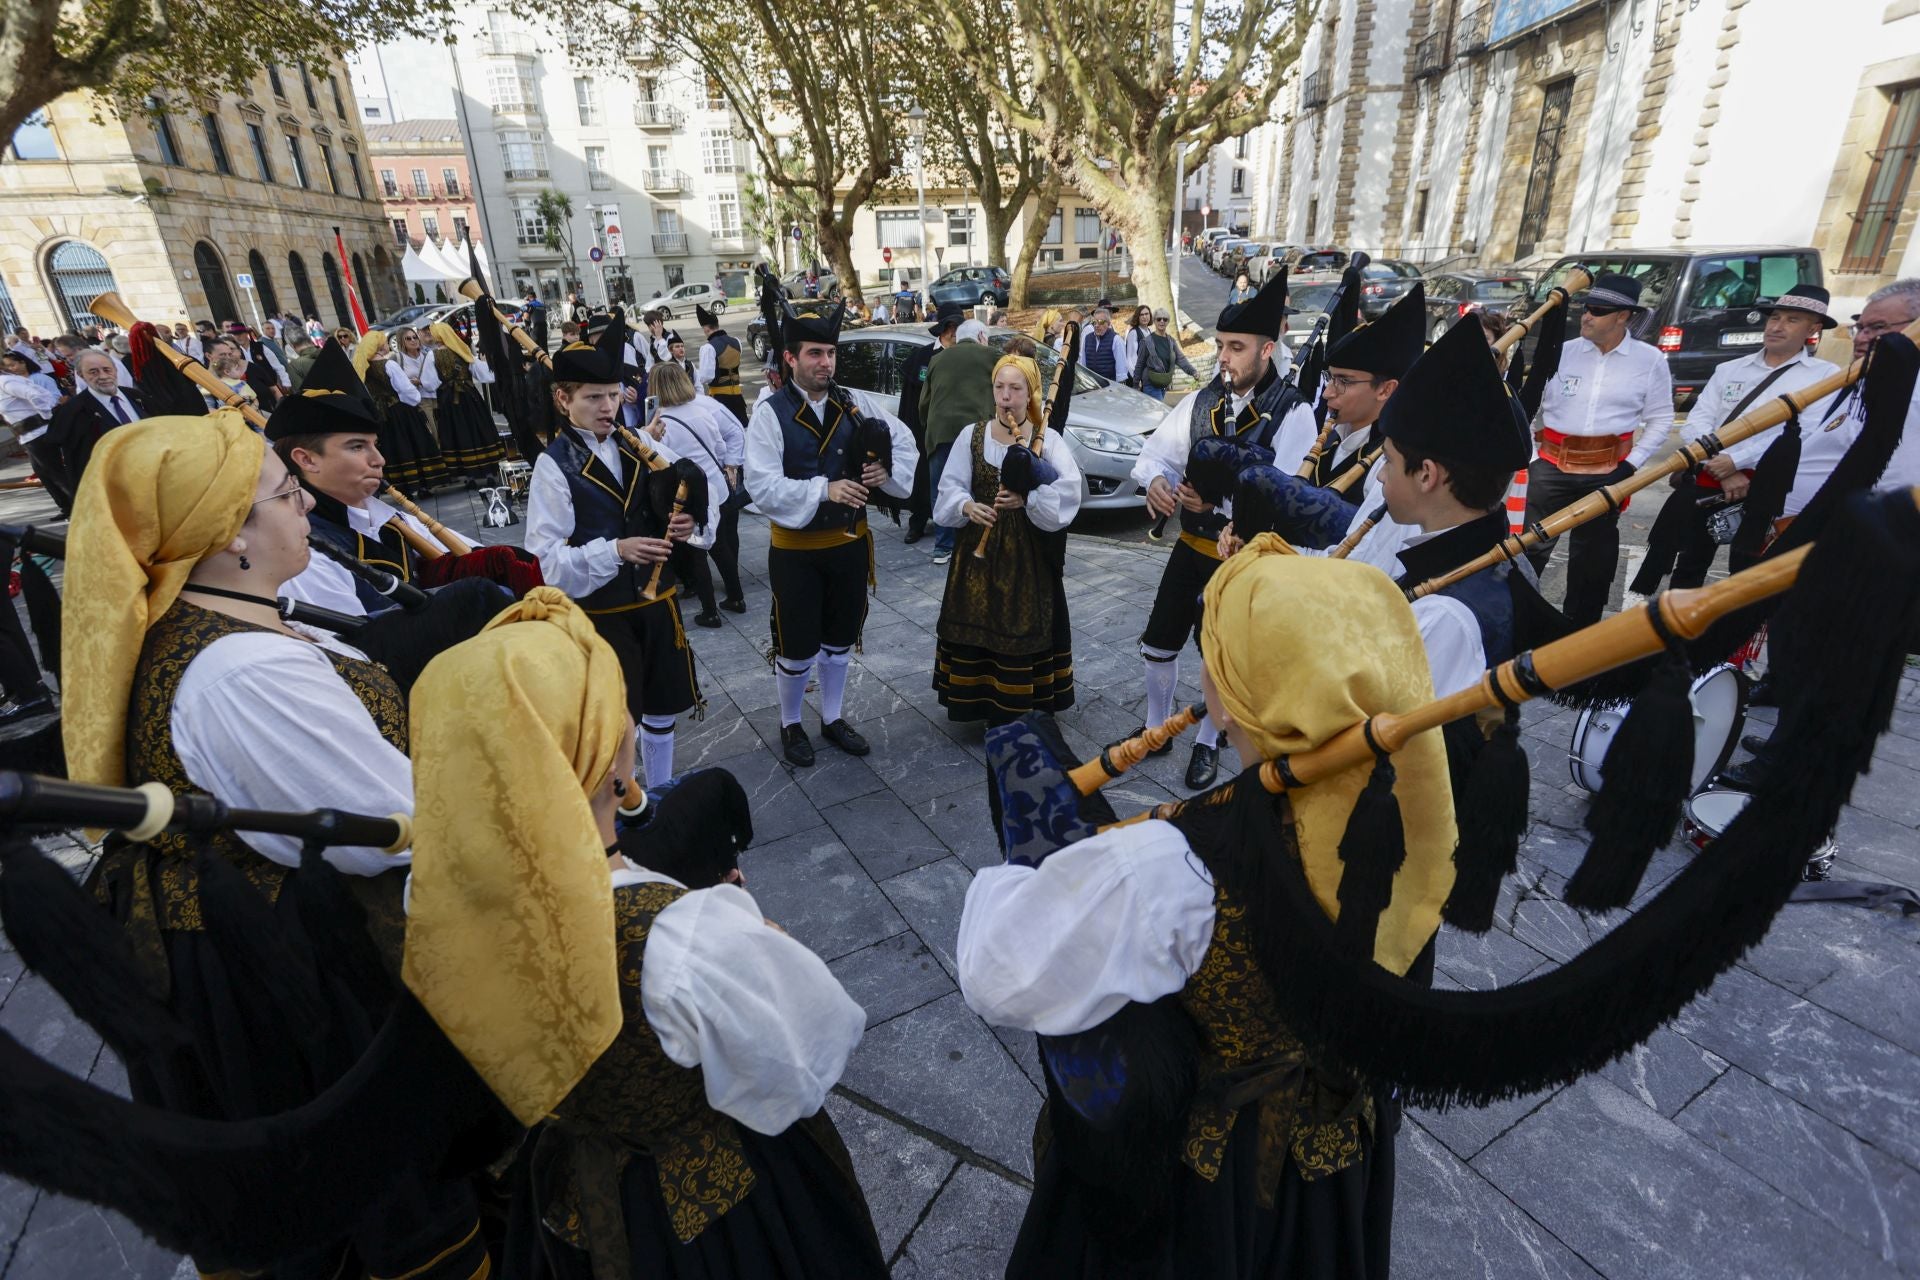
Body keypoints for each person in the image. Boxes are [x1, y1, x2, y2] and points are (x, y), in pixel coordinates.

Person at [63, 411, 489, 1280]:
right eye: (285, 494)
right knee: (368, 1199)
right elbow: (390, 829)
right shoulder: (242, 675)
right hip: (278, 970)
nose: (302, 507)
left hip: (264, 934)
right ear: (228, 538)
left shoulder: (241, 617)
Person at [956, 546, 1456, 1280]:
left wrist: (1038, 846)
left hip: (1212, 1181)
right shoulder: (1416, 816)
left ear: (1238, 699)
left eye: (1215, 658)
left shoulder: (1170, 867)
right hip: (1332, 1166)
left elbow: (998, 971)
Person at [403, 589, 886, 1279]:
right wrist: (758, 942)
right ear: (604, 762)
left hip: (573, 1194)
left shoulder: (448, 908)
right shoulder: (681, 932)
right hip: (709, 1217)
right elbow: (805, 1057)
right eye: (614, 709)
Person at [1130, 271, 1315, 790]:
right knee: (1159, 642)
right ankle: (1156, 729)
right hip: (1189, 547)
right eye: (1220, 346)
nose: (1224, 357)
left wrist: (1223, 501)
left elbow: (1288, 498)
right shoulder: (1200, 402)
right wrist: (1158, 486)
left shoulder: (1293, 411)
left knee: (1222, 659)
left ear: (1267, 350)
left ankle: (1209, 742)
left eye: (1237, 347)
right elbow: (1154, 457)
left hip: (1243, 563)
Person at [526, 341, 712, 788]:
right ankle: (625, 802)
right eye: (592, 397)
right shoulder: (553, 467)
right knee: (616, 718)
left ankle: (660, 787)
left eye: (613, 394)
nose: (608, 406)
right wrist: (615, 551)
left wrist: (689, 523)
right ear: (562, 399)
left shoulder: (640, 442)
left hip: (658, 603)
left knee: (662, 705)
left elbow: (687, 503)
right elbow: (547, 563)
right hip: (603, 616)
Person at [744, 301, 916, 767]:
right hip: (796, 551)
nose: (826, 363)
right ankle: (791, 721)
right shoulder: (770, 414)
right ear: (791, 359)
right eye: (815, 354)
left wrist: (886, 472)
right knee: (796, 643)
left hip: (849, 546)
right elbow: (759, 485)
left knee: (841, 638)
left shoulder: (854, 403)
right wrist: (825, 488)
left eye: (831, 353)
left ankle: (834, 717)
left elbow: (904, 443)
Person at [276, 338, 543, 614]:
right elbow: (354, 642)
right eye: (357, 447)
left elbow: (453, 558)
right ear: (306, 459)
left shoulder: (389, 520)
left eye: (374, 445)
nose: (378, 460)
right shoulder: (308, 550)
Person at [1635, 285, 1840, 595]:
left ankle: (1731, 643)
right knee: (1689, 565)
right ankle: (1676, 636)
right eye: (1775, 317)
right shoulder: (1730, 369)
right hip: (1710, 476)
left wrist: (1737, 462)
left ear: (1814, 328)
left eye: (1792, 320)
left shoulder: (1824, 377)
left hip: (1770, 488)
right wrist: (1722, 466)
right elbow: (1696, 423)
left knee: (1747, 573)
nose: (1777, 326)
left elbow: (1806, 433)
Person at [931, 353, 1082, 723]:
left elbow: (1068, 497)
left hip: (1027, 557)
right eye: (999, 387)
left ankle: (1020, 705)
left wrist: (1027, 498)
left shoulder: (1047, 441)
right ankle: (978, 700)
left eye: (1015, 388)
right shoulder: (973, 435)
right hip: (976, 553)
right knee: (977, 620)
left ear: (1029, 394)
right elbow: (948, 489)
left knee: (1022, 623)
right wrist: (967, 507)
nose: (1005, 396)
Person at [1525, 272, 1675, 626]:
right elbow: (1530, 408)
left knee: (1592, 562)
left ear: (1623, 316)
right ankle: (1522, 624)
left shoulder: (1649, 361)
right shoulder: (1560, 353)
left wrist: (1630, 467)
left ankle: (1579, 637)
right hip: (1549, 466)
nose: (1586, 316)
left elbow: (1661, 419)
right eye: (1585, 307)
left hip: (1608, 472)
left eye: (1597, 310)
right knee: (1528, 550)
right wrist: (1532, 461)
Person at [650, 362, 746, 624]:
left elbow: (662, 466)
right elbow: (718, 446)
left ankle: (710, 612)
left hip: (690, 494)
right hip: (717, 486)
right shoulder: (702, 410)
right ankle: (736, 597)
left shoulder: (662, 423)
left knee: (697, 553)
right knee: (721, 547)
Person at [918, 313, 998, 566]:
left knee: (942, 488)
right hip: (975, 433)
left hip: (939, 431)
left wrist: (929, 426)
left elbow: (924, 403)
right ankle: (973, 541)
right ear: (981, 337)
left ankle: (943, 547)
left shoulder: (937, 359)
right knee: (975, 487)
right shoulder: (992, 356)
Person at [46, 349, 146, 508]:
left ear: (115, 369)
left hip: (150, 480)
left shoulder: (138, 398)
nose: (103, 376)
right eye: (93, 371)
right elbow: (53, 455)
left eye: (107, 369)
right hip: (110, 494)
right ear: (80, 374)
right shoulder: (72, 412)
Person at [367, 330, 449, 494]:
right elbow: (404, 388)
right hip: (400, 409)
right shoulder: (389, 364)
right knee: (414, 444)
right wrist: (415, 400)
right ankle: (422, 484)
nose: (385, 345)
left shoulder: (364, 366)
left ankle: (402, 486)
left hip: (381, 412)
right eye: (383, 342)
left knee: (394, 447)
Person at [897, 307, 951, 544]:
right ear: (948, 330)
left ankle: (950, 523)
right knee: (921, 477)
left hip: (951, 430)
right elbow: (911, 395)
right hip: (923, 428)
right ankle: (917, 523)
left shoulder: (965, 357)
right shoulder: (922, 356)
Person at [429, 320, 508, 480]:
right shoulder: (462, 350)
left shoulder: (432, 355)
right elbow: (484, 374)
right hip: (470, 397)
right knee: (477, 429)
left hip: (448, 400)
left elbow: (429, 382)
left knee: (457, 432)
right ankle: (488, 471)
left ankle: (468, 476)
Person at [1, 351, 63, 507]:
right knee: (44, 474)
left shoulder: (6, 383)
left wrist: (46, 415)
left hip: (37, 433)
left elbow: (37, 395)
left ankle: (78, 507)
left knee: (55, 473)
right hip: (27, 435)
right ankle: (66, 507)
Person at [694, 304, 748, 427]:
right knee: (742, 429)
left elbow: (706, 377)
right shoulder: (736, 342)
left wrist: (694, 372)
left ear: (706, 329)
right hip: (738, 397)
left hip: (720, 399)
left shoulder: (708, 348)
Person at [390, 325, 441, 441]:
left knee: (443, 431)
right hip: (418, 402)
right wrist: (408, 384)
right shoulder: (397, 358)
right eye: (408, 338)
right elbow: (394, 382)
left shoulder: (427, 354)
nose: (413, 340)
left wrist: (422, 381)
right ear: (401, 341)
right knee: (432, 434)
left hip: (436, 397)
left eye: (414, 337)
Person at [1135, 308, 1197, 402]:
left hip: (1163, 384)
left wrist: (1193, 372)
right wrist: (1135, 385)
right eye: (1159, 319)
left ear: (1168, 322)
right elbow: (1140, 364)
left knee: (1158, 413)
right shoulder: (1146, 342)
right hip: (1150, 385)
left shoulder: (1171, 341)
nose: (1162, 321)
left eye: (1165, 319)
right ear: (1154, 321)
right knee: (1159, 413)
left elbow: (1180, 359)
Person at [202, 336, 259, 414]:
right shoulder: (203, 380)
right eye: (222, 355)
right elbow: (207, 409)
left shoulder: (233, 376)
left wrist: (253, 408)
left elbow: (253, 398)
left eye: (229, 354)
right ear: (209, 356)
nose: (228, 358)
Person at [1080, 307, 1130, 386]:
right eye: (1094, 322)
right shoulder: (1087, 338)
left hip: (1110, 387)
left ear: (1109, 323)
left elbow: (1121, 371)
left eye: (1100, 322)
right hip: (1092, 386)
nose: (1096, 325)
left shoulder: (1116, 340)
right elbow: (1083, 364)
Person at [1122, 303, 1156, 390]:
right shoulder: (1134, 333)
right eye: (1141, 315)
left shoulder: (1149, 331)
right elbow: (1130, 358)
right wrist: (1137, 378)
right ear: (1138, 317)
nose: (1144, 317)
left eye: (1146, 314)